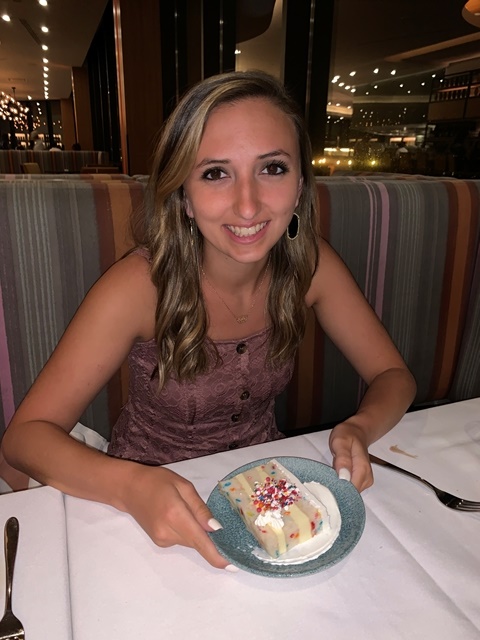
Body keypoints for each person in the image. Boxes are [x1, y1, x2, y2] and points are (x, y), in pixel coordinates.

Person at [1, 71, 416, 571]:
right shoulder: (139, 286)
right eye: (216, 173)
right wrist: (130, 486)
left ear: (300, 185)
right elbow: (24, 437)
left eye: (273, 168)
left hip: (265, 498)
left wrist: (359, 429)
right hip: (139, 505)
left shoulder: (312, 265)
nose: (248, 203)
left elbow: (394, 376)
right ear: (184, 195)